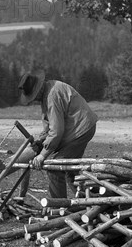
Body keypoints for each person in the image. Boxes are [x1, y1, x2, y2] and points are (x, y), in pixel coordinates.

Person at [18, 69, 98, 199]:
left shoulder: (52, 96)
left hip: (80, 129)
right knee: (70, 170)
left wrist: (42, 155)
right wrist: (41, 141)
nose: (34, 99)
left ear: (38, 89)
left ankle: (58, 207)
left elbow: (56, 131)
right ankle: (93, 198)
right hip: (79, 127)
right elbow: (48, 126)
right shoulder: (47, 91)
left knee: (55, 169)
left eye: (33, 96)